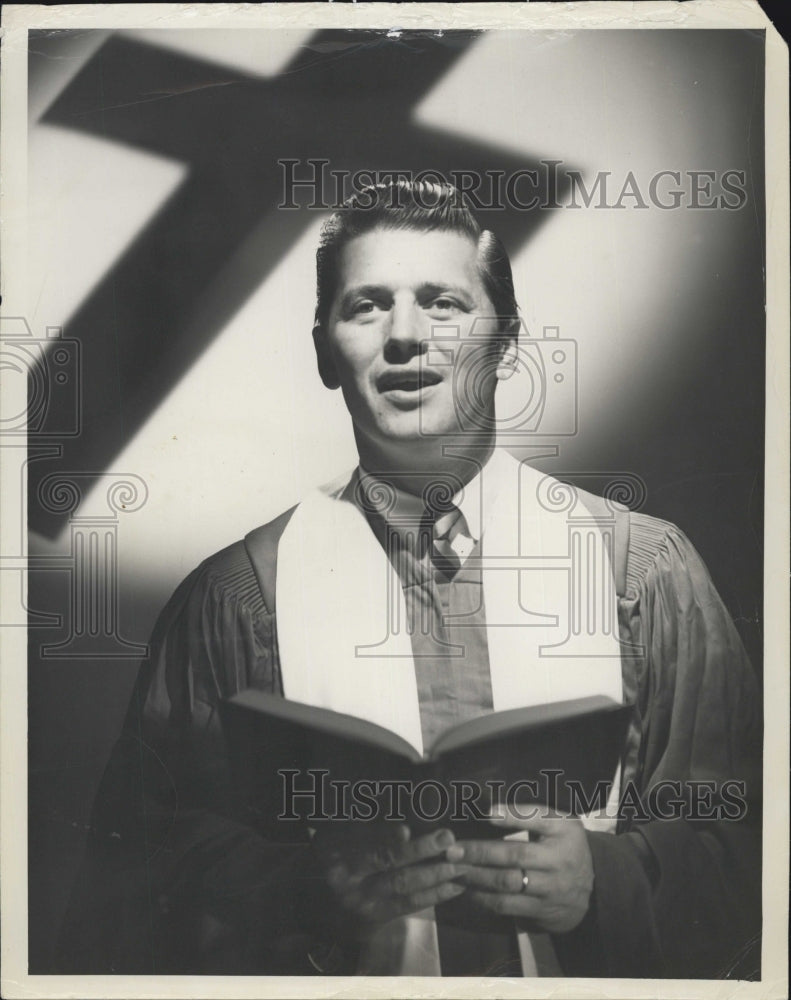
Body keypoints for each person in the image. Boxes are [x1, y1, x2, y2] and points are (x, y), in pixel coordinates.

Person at [57, 180, 762, 979]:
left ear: (507, 342)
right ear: (324, 350)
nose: (403, 336)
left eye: (443, 304)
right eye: (364, 306)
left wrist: (605, 881)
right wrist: (298, 888)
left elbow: (744, 831)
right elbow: (133, 876)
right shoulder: (236, 599)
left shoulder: (640, 570)